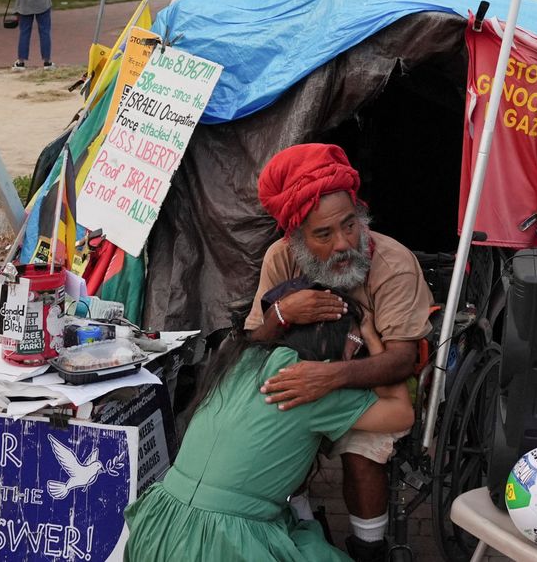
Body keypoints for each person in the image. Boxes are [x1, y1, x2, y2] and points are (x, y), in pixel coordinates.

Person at [125, 281, 413, 562]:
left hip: (156, 527)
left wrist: (280, 313)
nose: (356, 351)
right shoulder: (310, 383)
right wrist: (374, 339)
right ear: (326, 334)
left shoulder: (239, 357)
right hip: (222, 544)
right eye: (355, 341)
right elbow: (402, 413)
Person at [244, 144, 433, 562]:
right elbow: (254, 347)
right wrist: (280, 312)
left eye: (350, 225)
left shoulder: (393, 264)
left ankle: (369, 549)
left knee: (362, 451)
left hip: (378, 386)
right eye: (324, 235)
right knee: (266, 426)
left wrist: (329, 379)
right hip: (306, 376)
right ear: (297, 239)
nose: (344, 243)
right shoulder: (281, 259)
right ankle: (302, 528)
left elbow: (402, 360)